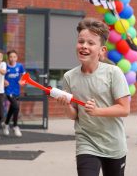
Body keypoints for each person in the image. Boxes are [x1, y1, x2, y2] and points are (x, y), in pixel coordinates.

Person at [56, 19, 130, 176]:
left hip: (113, 144)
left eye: (90, 43)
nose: (84, 46)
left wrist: (97, 111)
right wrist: (66, 105)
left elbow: (124, 109)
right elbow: (73, 115)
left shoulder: (113, 73)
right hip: (86, 141)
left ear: (102, 50)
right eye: (81, 41)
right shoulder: (69, 77)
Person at [2, 50, 26, 137]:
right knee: (16, 107)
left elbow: (25, 76)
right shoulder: (5, 67)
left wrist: (22, 80)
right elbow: (1, 76)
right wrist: (4, 80)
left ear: (17, 58)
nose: (12, 59)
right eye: (11, 57)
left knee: (12, 108)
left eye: (14, 57)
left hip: (17, 91)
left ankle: (6, 124)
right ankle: (15, 126)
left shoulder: (19, 66)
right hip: (8, 91)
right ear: (8, 58)